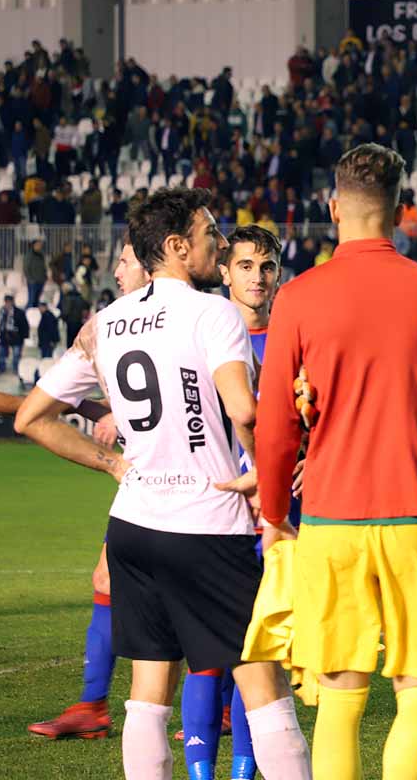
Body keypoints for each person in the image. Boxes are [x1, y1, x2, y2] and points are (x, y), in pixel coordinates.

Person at [14, 188, 313, 779]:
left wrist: (113, 467)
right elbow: (244, 411)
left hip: (133, 523)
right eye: (211, 234)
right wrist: (263, 482)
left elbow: (30, 418)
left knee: (148, 690)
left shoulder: (107, 321)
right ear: (177, 247)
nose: (220, 244)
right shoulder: (213, 312)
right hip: (207, 525)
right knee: (263, 680)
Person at [254, 145, 417, 780]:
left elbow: (275, 426)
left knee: (341, 696)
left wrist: (273, 513)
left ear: (332, 207)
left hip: (331, 515)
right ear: (403, 211)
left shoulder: (295, 297)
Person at [171, 224, 287, 780]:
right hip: (209, 509)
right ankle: (200, 773)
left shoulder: (291, 340)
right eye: (245, 265)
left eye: (266, 266)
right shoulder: (198, 336)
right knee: (207, 659)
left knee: (254, 649)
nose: (257, 277)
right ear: (224, 271)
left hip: (272, 515)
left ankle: (242, 772)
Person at [26, 241, 149, 742]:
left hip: (199, 479)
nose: (115, 270)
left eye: (125, 261)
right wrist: (110, 414)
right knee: (107, 579)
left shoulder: (198, 316)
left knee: (195, 600)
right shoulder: (106, 326)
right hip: (142, 478)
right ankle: (93, 706)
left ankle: (229, 702)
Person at [0, 294, 29, 376]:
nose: (7, 304)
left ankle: (16, 369)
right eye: (6, 302)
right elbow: (1, 324)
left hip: (16, 336)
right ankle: (1, 368)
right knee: (1, 353)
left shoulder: (19, 312)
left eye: (9, 302)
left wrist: (23, 337)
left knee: (16, 354)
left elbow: (25, 325)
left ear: (12, 302)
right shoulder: (2, 310)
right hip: (4, 335)